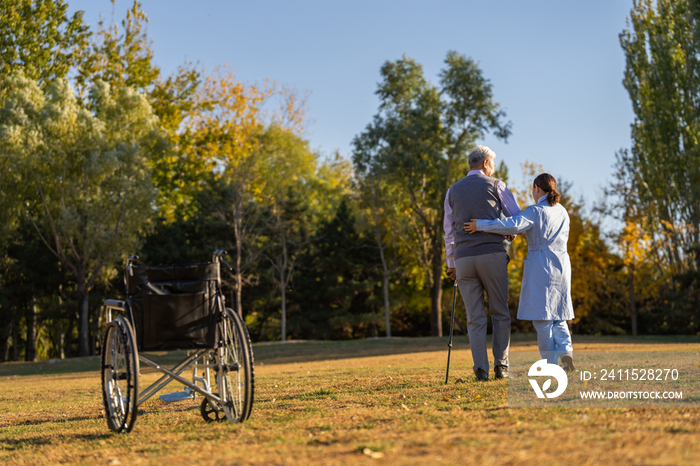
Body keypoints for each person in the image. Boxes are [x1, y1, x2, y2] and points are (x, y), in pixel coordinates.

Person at [463, 173, 575, 371]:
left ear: (536, 188)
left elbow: (511, 224)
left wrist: (480, 224)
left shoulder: (536, 210)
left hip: (541, 266)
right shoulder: (563, 211)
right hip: (563, 266)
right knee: (559, 315)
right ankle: (566, 351)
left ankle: (551, 363)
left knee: (543, 320)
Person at [444, 146, 520, 381]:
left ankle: (480, 369)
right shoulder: (497, 184)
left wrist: (451, 263)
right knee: (499, 313)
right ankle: (501, 366)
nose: (493, 168)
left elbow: (449, 232)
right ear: (486, 162)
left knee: (474, 317)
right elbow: (516, 220)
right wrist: (505, 230)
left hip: (463, 259)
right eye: (493, 164)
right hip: (492, 255)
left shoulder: (452, 191)